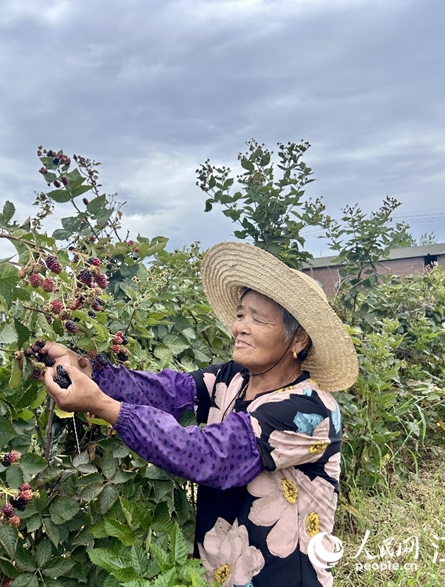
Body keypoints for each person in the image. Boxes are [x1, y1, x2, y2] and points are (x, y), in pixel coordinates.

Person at [43, 242, 358, 587]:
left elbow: (211, 455)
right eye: (240, 315)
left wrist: (102, 405)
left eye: (258, 318)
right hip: (220, 572)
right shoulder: (231, 378)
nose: (240, 327)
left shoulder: (310, 410)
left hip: (282, 576)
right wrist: (86, 369)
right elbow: (164, 391)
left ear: (297, 339)